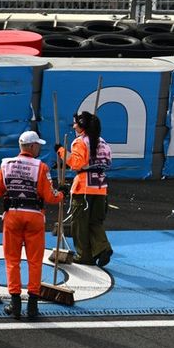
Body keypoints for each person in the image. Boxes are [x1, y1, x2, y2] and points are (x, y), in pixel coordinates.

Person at [0, 131, 64, 320]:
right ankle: (33, 305)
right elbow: (51, 197)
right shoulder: (40, 167)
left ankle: (15, 303)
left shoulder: (6, 164)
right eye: (38, 145)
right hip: (34, 216)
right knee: (34, 262)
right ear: (32, 146)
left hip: (12, 216)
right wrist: (62, 194)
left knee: (12, 260)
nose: (40, 148)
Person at [58, 111, 113, 267]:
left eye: (75, 123)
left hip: (83, 187)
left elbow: (76, 163)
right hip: (101, 187)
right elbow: (108, 162)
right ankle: (103, 247)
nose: (73, 125)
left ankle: (84, 255)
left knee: (80, 224)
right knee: (96, 222)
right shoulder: (103, 142)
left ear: (82, 126)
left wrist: (61, 152)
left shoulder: (80, 142)